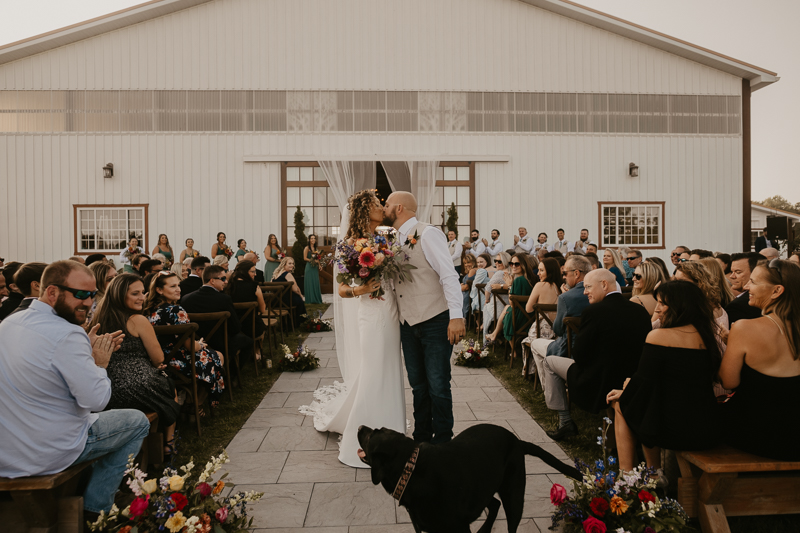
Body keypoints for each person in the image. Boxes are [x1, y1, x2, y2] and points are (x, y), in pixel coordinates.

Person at [0, 261, 149, 518]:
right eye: (80, 295)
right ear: (51, 292)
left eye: (92, 294)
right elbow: (97, 400)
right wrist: (99, 363)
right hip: (50, 450)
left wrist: (82, 355)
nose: (88, 302)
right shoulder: (67, 334)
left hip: (9, 451)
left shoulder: (9, 324)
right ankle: (97, 507)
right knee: (137, 421)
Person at [300, 189, 406, 467]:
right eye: (376, 204)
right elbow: (343, 289)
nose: (382, 206)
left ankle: (392, 429)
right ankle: (362, 438)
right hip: (371, 314)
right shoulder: (350, 244)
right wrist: (363, 288)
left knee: (390, 367)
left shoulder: (383, 238)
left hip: (390, 310)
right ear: (364, 211)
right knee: (373, 369)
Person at [607, 281, 722, 480]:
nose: (657, 308)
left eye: (662, 303)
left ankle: (631, 475)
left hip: (672, 428)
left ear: (680, 306)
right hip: (707, 424)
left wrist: (626, 388)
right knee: (643, 400)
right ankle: (651, 474)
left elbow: (643, 382)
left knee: (622, 403)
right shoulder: (707, 335)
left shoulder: (659, 336)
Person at [385, 190, 465, 444]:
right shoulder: (393, 240)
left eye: (386, 204)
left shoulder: (428, 233)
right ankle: (421, 438)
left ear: (399, 208)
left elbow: (449, 275)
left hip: (435, 320)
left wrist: (456, 316)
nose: (383, 208)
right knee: (418, 385)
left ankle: (442, 441)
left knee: (438, 384)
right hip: (407, 323)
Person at [543, 269, 651, 440]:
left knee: (549, 362)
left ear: (604, 284)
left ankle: (565, 422)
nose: (585, 292)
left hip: (598, 381)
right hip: (631, 380)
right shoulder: (640, 311)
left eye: (587, 287)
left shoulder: (593, 312)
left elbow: (580, 355)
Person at [89, 274, 181, 457]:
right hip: (138, 386)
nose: (142, 297)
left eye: (143, 293)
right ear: (120, 295)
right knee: (170, 388)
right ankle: (169, 443)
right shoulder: (137, 320)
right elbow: (158, 358)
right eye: (135, 293)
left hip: (106, 388)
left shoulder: (96, 320)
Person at [719, 259, 800, 461]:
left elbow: (728, 382)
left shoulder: (744, 328)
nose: (747, 287)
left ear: (776, 291)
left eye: (753, 282)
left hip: (756, 434)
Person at [144, 272, 226, 409]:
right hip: (177, 362)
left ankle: (189, 399)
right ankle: (195, 403)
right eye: (172, 286)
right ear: (159, 290)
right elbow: (190, 346)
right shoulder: (176, 310)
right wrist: (199, 345)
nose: (178, 289)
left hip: (156, 361)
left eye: (178, 285)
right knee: (218, 356)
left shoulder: (147, 310)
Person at [527, 256, 592, 395]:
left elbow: (557, 329)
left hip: (569, 348)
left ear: (576, 273)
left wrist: (565, 298)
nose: (563, 277)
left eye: (565, 273)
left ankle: (548, 391)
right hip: (592, 347)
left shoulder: (566, 297)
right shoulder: (598, 293)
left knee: (535, 344)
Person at [181, 265, 253, 367]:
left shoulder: (186, 299)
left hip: (195, 342)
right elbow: (235, 328)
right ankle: (231, 374)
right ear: (212, 281)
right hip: (222, 344)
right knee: (248, 342)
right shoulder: (224, 299)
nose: (226, 281)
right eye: (223, 279)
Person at [521, 258, 562, 379]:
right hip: (557, 332)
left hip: (541, 331)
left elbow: (528, 309)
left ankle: (530, 372)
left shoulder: (540, 285)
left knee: (527, 341)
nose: (537, 273)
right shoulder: (561, 287)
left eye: (541, 270)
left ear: (549, 272)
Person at [225, 260, 268, 342]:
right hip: (251, 326)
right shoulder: (254, 286)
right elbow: (262, 310)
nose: (255, 274)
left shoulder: (228, 287)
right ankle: (257, 351)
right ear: (244, 272)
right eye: (253, 271)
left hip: (231, 326)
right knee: (261, 326)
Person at [725, 252, 763, 324]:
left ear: (756, 272)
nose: (732, 276)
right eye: (731, 272)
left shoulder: (738, 306)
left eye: (738, 272)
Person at [483, 252, 511, 341]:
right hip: (509, 306)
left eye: (499, 261)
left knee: (486, 306)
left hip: (498, 309)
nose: (496, 263)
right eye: (495, 261)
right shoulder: (513, 273)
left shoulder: (499, 273)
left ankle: (485, 330)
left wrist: (486, 300)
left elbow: (487, 289)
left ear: (506, 262)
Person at [272, 257, 307, 325]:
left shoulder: (275, 275)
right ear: (284, 264)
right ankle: (298, 322)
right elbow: (295, 289)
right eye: (289, 263)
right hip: (287, 301)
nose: (292, 265)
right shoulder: (287, 274)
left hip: (276, 301)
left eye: (293, 263)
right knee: (299, 301)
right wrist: (300, 295)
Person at [304, 234, 323, 304]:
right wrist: (312, 261)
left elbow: (317, 259)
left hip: (315, 268)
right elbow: (304, 258)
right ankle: (310, 300)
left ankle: (316, 299)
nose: (313, 240)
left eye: (314, 238)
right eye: (311, 238)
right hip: (309, 267)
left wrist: (319, 265)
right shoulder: (307, 248)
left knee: (315, 282)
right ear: (309, 240)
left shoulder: (315, 249)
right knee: (310, 282)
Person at [460, 254, 477, 319]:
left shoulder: (472, 271)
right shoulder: (473, 270)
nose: (466, 265)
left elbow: (466, 287)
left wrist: (460, 287)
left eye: (468, 262)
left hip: (468, 294)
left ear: (473, 262)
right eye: (465, 263)